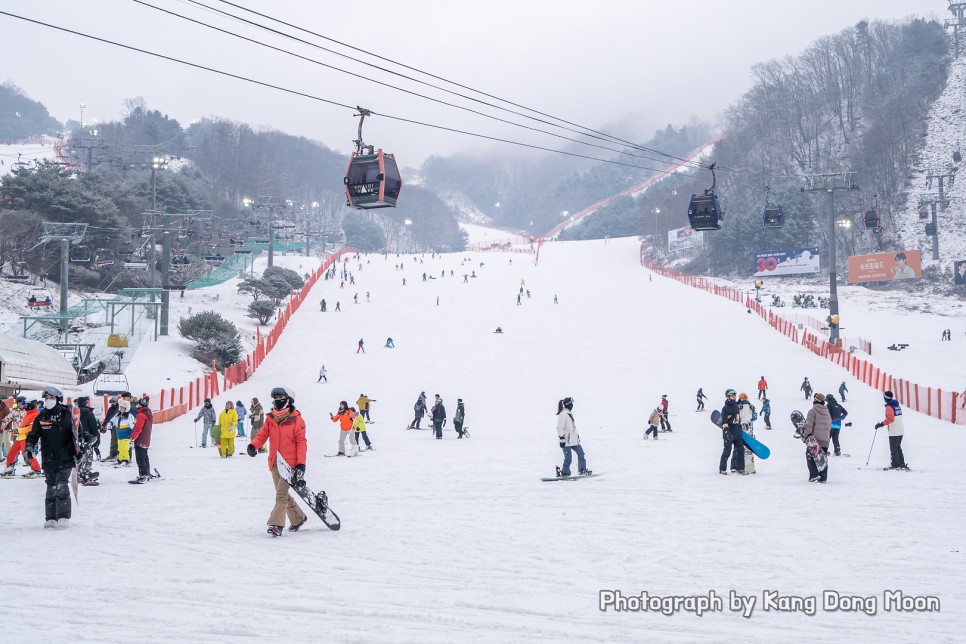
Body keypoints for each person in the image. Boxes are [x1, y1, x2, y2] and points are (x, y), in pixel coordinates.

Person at [246, 386, 308, 537]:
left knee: (280, 495)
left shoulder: (296, 419)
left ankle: (276, 524)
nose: (278, 402)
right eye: (276, 399)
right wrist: (253, 445)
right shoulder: (271, 419)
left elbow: (301, 442)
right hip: (274, 462)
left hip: (289, 465)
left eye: (282, 399)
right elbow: (262, 435)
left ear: (289, 401)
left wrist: (301, 464)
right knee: (283, 494)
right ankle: (299, 518)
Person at [25, 387, 78, 528]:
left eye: (51, 398)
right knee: (51, 487)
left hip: (65, 455)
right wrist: (29, 446)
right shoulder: (41, 417)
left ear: (58, 399)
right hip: (48, 457)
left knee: (61, 485)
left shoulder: (67, 414)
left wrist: (82, 445)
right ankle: (51, 518)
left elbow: (77, 431)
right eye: (46, 398)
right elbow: (33, 434)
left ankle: (63, 517)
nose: (48, 401)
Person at [1, 400, 41, 477]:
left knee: (27, 454)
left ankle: (36, 469)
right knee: (11, 453)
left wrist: (19, 430)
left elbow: (32, 427)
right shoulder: (17, 411)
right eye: (19, 403)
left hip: (26, 437)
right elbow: (9, 417)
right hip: (19, 437)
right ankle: (9, 467)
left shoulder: (33, 414)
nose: (22, 405)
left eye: (23, 404)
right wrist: (3, 424)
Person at [555, 397, 590, 477]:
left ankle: (582, 470)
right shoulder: (563, 414)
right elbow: (559, 427)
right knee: (568, 458)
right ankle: (565, 472)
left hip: (574, 440)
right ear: (569, 404)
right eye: (572, 404)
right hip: (566, 441)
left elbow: (573, 427)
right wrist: (561, 438)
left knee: (581, 453)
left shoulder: (569, 413)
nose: (572, 405)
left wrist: (577, 436)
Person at [801, 393, 831, 482]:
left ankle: (814, 475)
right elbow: (829, 427)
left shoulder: (812, 411)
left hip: (814, 440)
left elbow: (809, 426)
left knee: (809, 455)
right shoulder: (827, 412)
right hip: (825, 440)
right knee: (823, 458)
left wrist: (804, 434)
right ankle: (823, 478)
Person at [875, 391, 908, 470]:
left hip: (894, 430)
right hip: (900, 430)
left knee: (893, 448)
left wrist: (881, 424)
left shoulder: (889, 407)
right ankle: (901, 463)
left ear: (885, 398)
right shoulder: (896, 405)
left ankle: (896, 465)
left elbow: (890, 418)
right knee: (897, 447)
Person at [718, 389, 746, 475]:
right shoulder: (725, 409)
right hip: (729, 434)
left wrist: (740, 426)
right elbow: (724, 422)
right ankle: (722, 469)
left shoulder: (736, 407)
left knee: (741, 450)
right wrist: (727, 432)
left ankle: (740, 468)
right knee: (727, 451)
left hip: (737, 432)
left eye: (735, 396)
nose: (734, 397)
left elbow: (738, 419)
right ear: (728, 397)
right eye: (732, 396)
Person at [74, 396, 100, 485]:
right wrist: (97, 439)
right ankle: (86, 473)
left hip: (78, 438)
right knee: (88, 456)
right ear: (86, 403)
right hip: (88, 438)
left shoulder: (74, 414)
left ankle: (79, 473)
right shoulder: (89, 414)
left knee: (80, 456)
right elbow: (94, 428)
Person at [130, 396, 154, 483]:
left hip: (140, 440)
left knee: (140, 459)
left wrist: (132, 438)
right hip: (146, 439)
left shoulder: (141, 415)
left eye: (138, 404)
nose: (136, 405)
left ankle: (143, 475)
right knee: (145, 457)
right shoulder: (148, 413)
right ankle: (147, 473)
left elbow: (138, 429)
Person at [106, 400, 136, 467]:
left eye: (123, 407)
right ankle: (120, 459)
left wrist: (132, 436)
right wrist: (110, 423)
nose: (121, 409)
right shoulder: (118, 415)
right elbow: (113, 420)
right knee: (120, 448)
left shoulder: (129, 417)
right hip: (119, 435)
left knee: (125, 448)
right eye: (120, 407)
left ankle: (125, 460)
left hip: (126, 435)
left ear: (126, 408)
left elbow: (132, 427)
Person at [737, 393, 757, 474]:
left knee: (743, 449)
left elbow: (737, 418)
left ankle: (743, 467)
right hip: (749, 430)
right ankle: (750, 468)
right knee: (749, 449)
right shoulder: (750, 406)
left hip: (742, 430)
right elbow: (754, 418)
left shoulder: (738, 407)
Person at [101, 395, 120, 461]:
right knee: (113, 440)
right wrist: (104, 425)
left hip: (119, 426)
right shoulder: (111, 409)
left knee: (119, 440)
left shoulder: (119, 408)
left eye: (113, 402)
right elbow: (107, 418)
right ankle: (114, 453)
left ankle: (118, 453)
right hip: (113, 427)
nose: (112, 404)